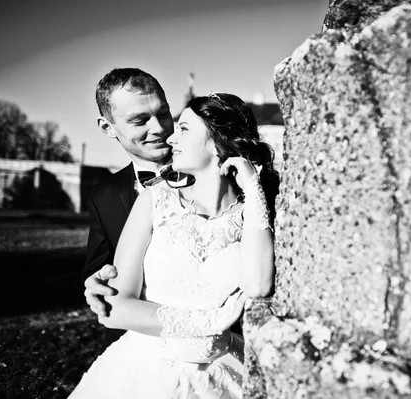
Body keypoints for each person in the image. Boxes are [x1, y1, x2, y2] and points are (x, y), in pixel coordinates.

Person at [69, 93, 279, 398]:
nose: (171, 138)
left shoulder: (254, 215)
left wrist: (253, 189)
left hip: (224, 372)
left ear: (216, 142)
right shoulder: (154, 200)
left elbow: (258, 285)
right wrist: (211, 323)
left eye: (183, 129)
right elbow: (115, 306)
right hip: (142, 373)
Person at [82, 67, 187, 344]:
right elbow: (98, 264)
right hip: (134, 341)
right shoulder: (102, 195)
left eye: (163, 113)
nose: (160, 128)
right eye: (140, 120)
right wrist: (94, 283)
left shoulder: (213, 170)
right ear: (107, 127)